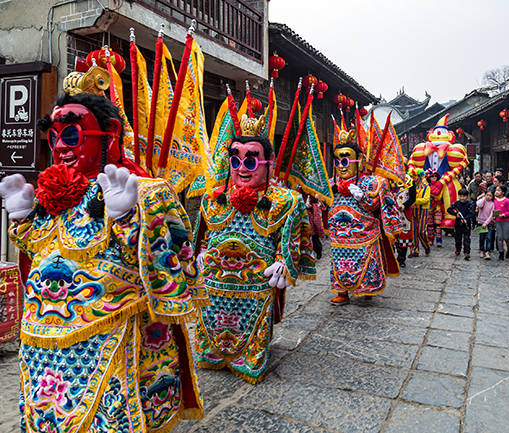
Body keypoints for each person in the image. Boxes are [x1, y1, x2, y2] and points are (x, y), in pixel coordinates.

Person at [0, 93, 207, 431]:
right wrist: (22, 218)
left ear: (109, 132)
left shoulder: (148, 191)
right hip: (44, 347)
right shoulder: (56, 196)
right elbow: (39, 251)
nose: (61, 147)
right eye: (54, 137)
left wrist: (130, 219)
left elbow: (173, 266)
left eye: (71, 135)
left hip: (115, 337)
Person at [194, 114, 315, 384]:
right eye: (235, 160)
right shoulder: (214, 198)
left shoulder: (284, 201)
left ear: (267, 163)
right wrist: (201, 251)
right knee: (212, 316)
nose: (241, 168)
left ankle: (249, 359)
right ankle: (211, 354)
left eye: (250, 160)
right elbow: (205, 232)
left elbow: (292, 237)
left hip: (256, 280)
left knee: (252, 321)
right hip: (215, 279)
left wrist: (284, 260)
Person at [328, 130, 402, 305]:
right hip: (338, 235)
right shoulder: (331, 183)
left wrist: (363, 197)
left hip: (364, 234)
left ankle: (366, 289)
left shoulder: (372, 183)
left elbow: (378, 207)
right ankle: (342, 292)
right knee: (339, 263)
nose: (341, 166)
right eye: (337, 161)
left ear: (358, 161)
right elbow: (325, 206)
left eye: (345, 160)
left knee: (365, 264)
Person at [395, 177, 417, 267]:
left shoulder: (410, 181)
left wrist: (405, 205)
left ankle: (401, 258)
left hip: (405, 212)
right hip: (392, 211)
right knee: (393, 235)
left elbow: (413, 198)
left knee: (405, 235)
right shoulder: (391, 179)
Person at [448, 189, 475, 260]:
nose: (462, 198)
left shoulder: (470, 204)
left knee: (467, 239)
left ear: (467, 196)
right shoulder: (456, 203)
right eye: (460, 196)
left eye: (464, 196)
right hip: (458, 224)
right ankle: (458, 250)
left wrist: (466, 219)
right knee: (458, 238)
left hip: (466, 224)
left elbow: (472, 213)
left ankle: (466, 252)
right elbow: (449, 210)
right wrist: (456, 214)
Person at [410, 170, 431, 257]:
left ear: (420, 177)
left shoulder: (426, 187)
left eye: (416, 176)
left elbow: (426, 199)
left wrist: (414, 201)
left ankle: (426, 246)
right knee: (413, 231)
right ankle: (414, 250)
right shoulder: (411, 187)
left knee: (421, 231)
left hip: (423, 211)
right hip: (413, 210)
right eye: (413, 176)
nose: (414, 178)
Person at [494, 184, 509, 260]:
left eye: (499, 190)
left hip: (505, 221)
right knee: (499, 237)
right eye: (496, 190)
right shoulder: (494, 200)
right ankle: (501, 252)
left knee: (506, 237)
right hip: (498, 221)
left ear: (503, 192)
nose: (497, 192)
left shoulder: (507, 201)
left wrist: (503, 215)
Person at [476, 190, 495, 259]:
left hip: (488, 223)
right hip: (481, 223)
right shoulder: (483, 201)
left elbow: (491, 215)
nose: (488, 197)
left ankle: (487, 251)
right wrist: (483, 198)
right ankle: (481, 250)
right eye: (487, 195)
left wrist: (486, 223)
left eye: (490, 195)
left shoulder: (492, 204)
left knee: (488, 238)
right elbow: (478, 204)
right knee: (481, 238)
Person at [427, 171, 444, 247]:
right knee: (430, 225)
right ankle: (430, 240)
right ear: (429, 178)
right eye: (432, 176)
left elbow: (438, 194)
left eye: (435, 176)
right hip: (429, 207)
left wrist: (430, 191)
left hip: (438, 207)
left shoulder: (440, 184)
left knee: (438, 224)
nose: (434, 177)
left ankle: (438, 240)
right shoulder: (426, 185)